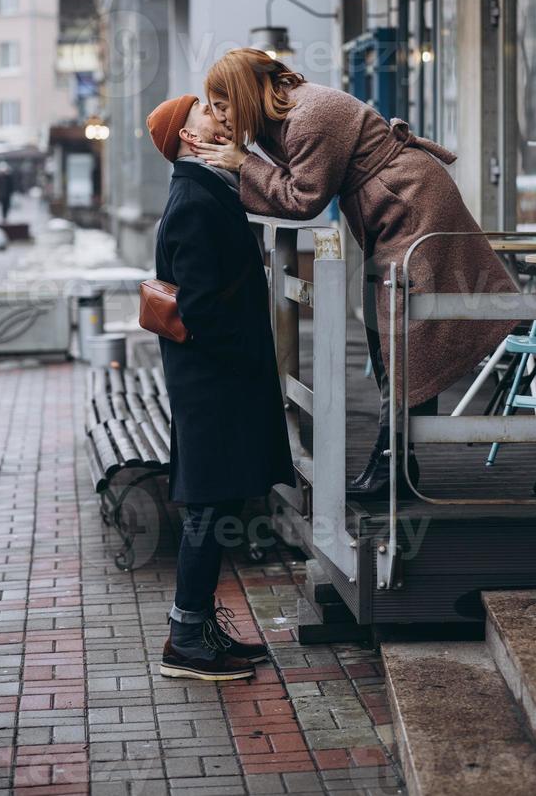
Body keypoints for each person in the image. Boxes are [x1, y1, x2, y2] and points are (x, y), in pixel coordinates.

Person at [189, 49, 518, 499]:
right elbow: (293, 184)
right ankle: (398, 462)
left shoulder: (308, 116)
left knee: (404, 333)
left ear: (245, 94)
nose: (221, 117)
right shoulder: (282, 117)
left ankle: (393, 466)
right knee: (393, 334)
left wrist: (242, 164)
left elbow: (303, 197)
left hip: (411, 205)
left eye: (223, 105)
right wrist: (246, 159)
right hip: (396, 208)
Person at [146, 93, 296, 680]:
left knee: (220, 498)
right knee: (208, 504)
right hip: (213, 383)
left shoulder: (208, 192)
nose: (220, 116)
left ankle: (199, 625)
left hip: (218, 379)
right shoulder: (192, 201)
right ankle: (186, 637)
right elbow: (203, 308)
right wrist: (244, 363)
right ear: (188, 138)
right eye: (206, 113)